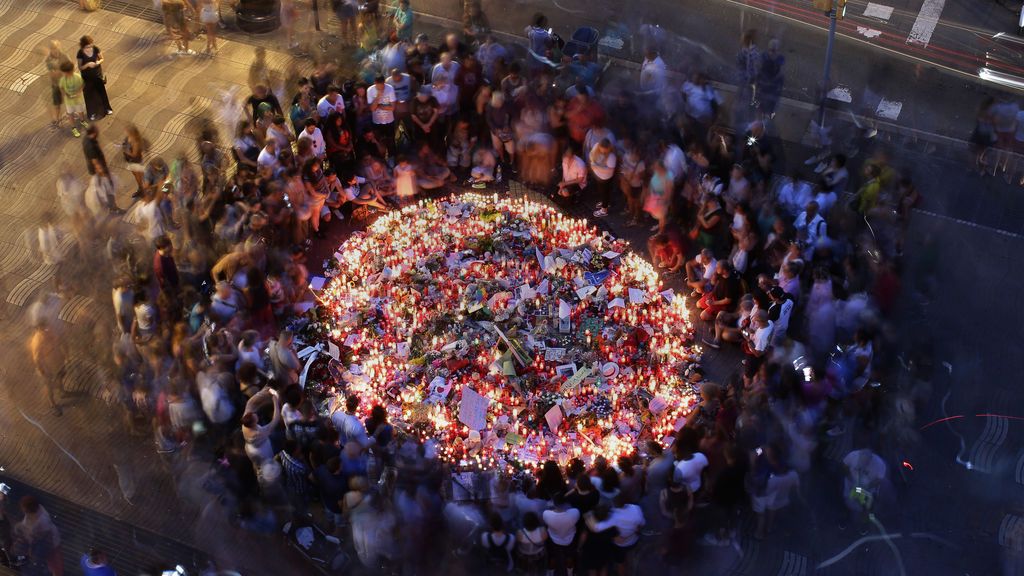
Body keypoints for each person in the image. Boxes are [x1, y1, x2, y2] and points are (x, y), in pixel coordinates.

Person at [11, 496, 63, 576]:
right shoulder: (35, 513)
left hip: (50, 545)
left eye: (23, 507)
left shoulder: (42, 520)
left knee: (55, 567)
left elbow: (45, 536)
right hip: (42, 545)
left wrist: (32, 545)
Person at [30, 320, 66, 416]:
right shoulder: (37, 341)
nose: (46, 329)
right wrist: (43, 371)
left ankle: (62, 392)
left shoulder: (49, 332)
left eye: (46, 327)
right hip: (47, 366)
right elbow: (37, 359)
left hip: (56, 361)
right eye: (44, 328)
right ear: (38, 329)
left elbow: (57, 343)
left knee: (60, 377)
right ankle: (52, 404)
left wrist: (62, 355)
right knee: (49, 386)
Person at [543, 492, 580, 576]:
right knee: (570, 557)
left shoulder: (546, 514)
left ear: (554, 503)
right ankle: (570, 573)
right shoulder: (575, 512)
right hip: (569, 539)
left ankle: (551, 573)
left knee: (552, 557)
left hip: (553, 539)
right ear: (565, 502)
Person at [76, 36, 111, 121]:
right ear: (83, 46)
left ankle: (107, 108)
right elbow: (80, 67)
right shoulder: (80, 53)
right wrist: (88, 65)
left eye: (91, 46)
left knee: (101, 92)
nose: (90, 48)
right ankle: (92, 113)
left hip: (97, 74)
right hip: (87, 77)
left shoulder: (95, 49)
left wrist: (98, 62)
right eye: (87, 47)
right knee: (89, 95)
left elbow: (102, 58)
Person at [367, 75, 397, 158]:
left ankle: (392, 161)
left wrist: (378, 105)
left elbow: (392, 108)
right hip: (377, 122)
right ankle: (381, 162)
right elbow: (372, 109)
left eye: (382, 85)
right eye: (379, 85)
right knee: (379, 144)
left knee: (391, 143)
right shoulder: (370, 90)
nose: (381, 87)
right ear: (375, 83)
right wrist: (378, 97)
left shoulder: (390, 88)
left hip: (389, 121)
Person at [44, 41, 72, 129]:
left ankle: (71, 114)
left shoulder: (64, 56)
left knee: (69, 99)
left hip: (66, 82)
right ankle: (58, 118)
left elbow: (70, 67)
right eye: (52, 49)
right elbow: (52, 73)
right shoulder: (48, 59)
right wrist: (61, 71)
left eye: (56, 48)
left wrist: (59, 72)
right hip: (55, 84)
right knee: (57, 102)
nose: (54, 51)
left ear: (58, 47)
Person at [58, 60, 87, 137]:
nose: (65, 74)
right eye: (64, 73)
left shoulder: (78, 77)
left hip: (78, 99)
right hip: (69, 101)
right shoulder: (63, 80)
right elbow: (61, 88)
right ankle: (73, 127)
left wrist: (79, 92)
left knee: (80, 111)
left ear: (72, 70)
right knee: (70, 114)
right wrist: (65, 94)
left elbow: (82, 84)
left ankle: (82, 121)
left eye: (66, 73)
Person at [589, 138, 617, 218]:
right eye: (601, 149)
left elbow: (610, 170)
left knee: (605, 192)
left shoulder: (611, 156)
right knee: (602, 191)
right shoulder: (596, 147)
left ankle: (604, 209)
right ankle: (606, 202)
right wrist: (593, 162)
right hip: (599, 177)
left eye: (605, 150)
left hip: (606, 178)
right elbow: (591, 154)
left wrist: (597, 167)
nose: (603, 152)